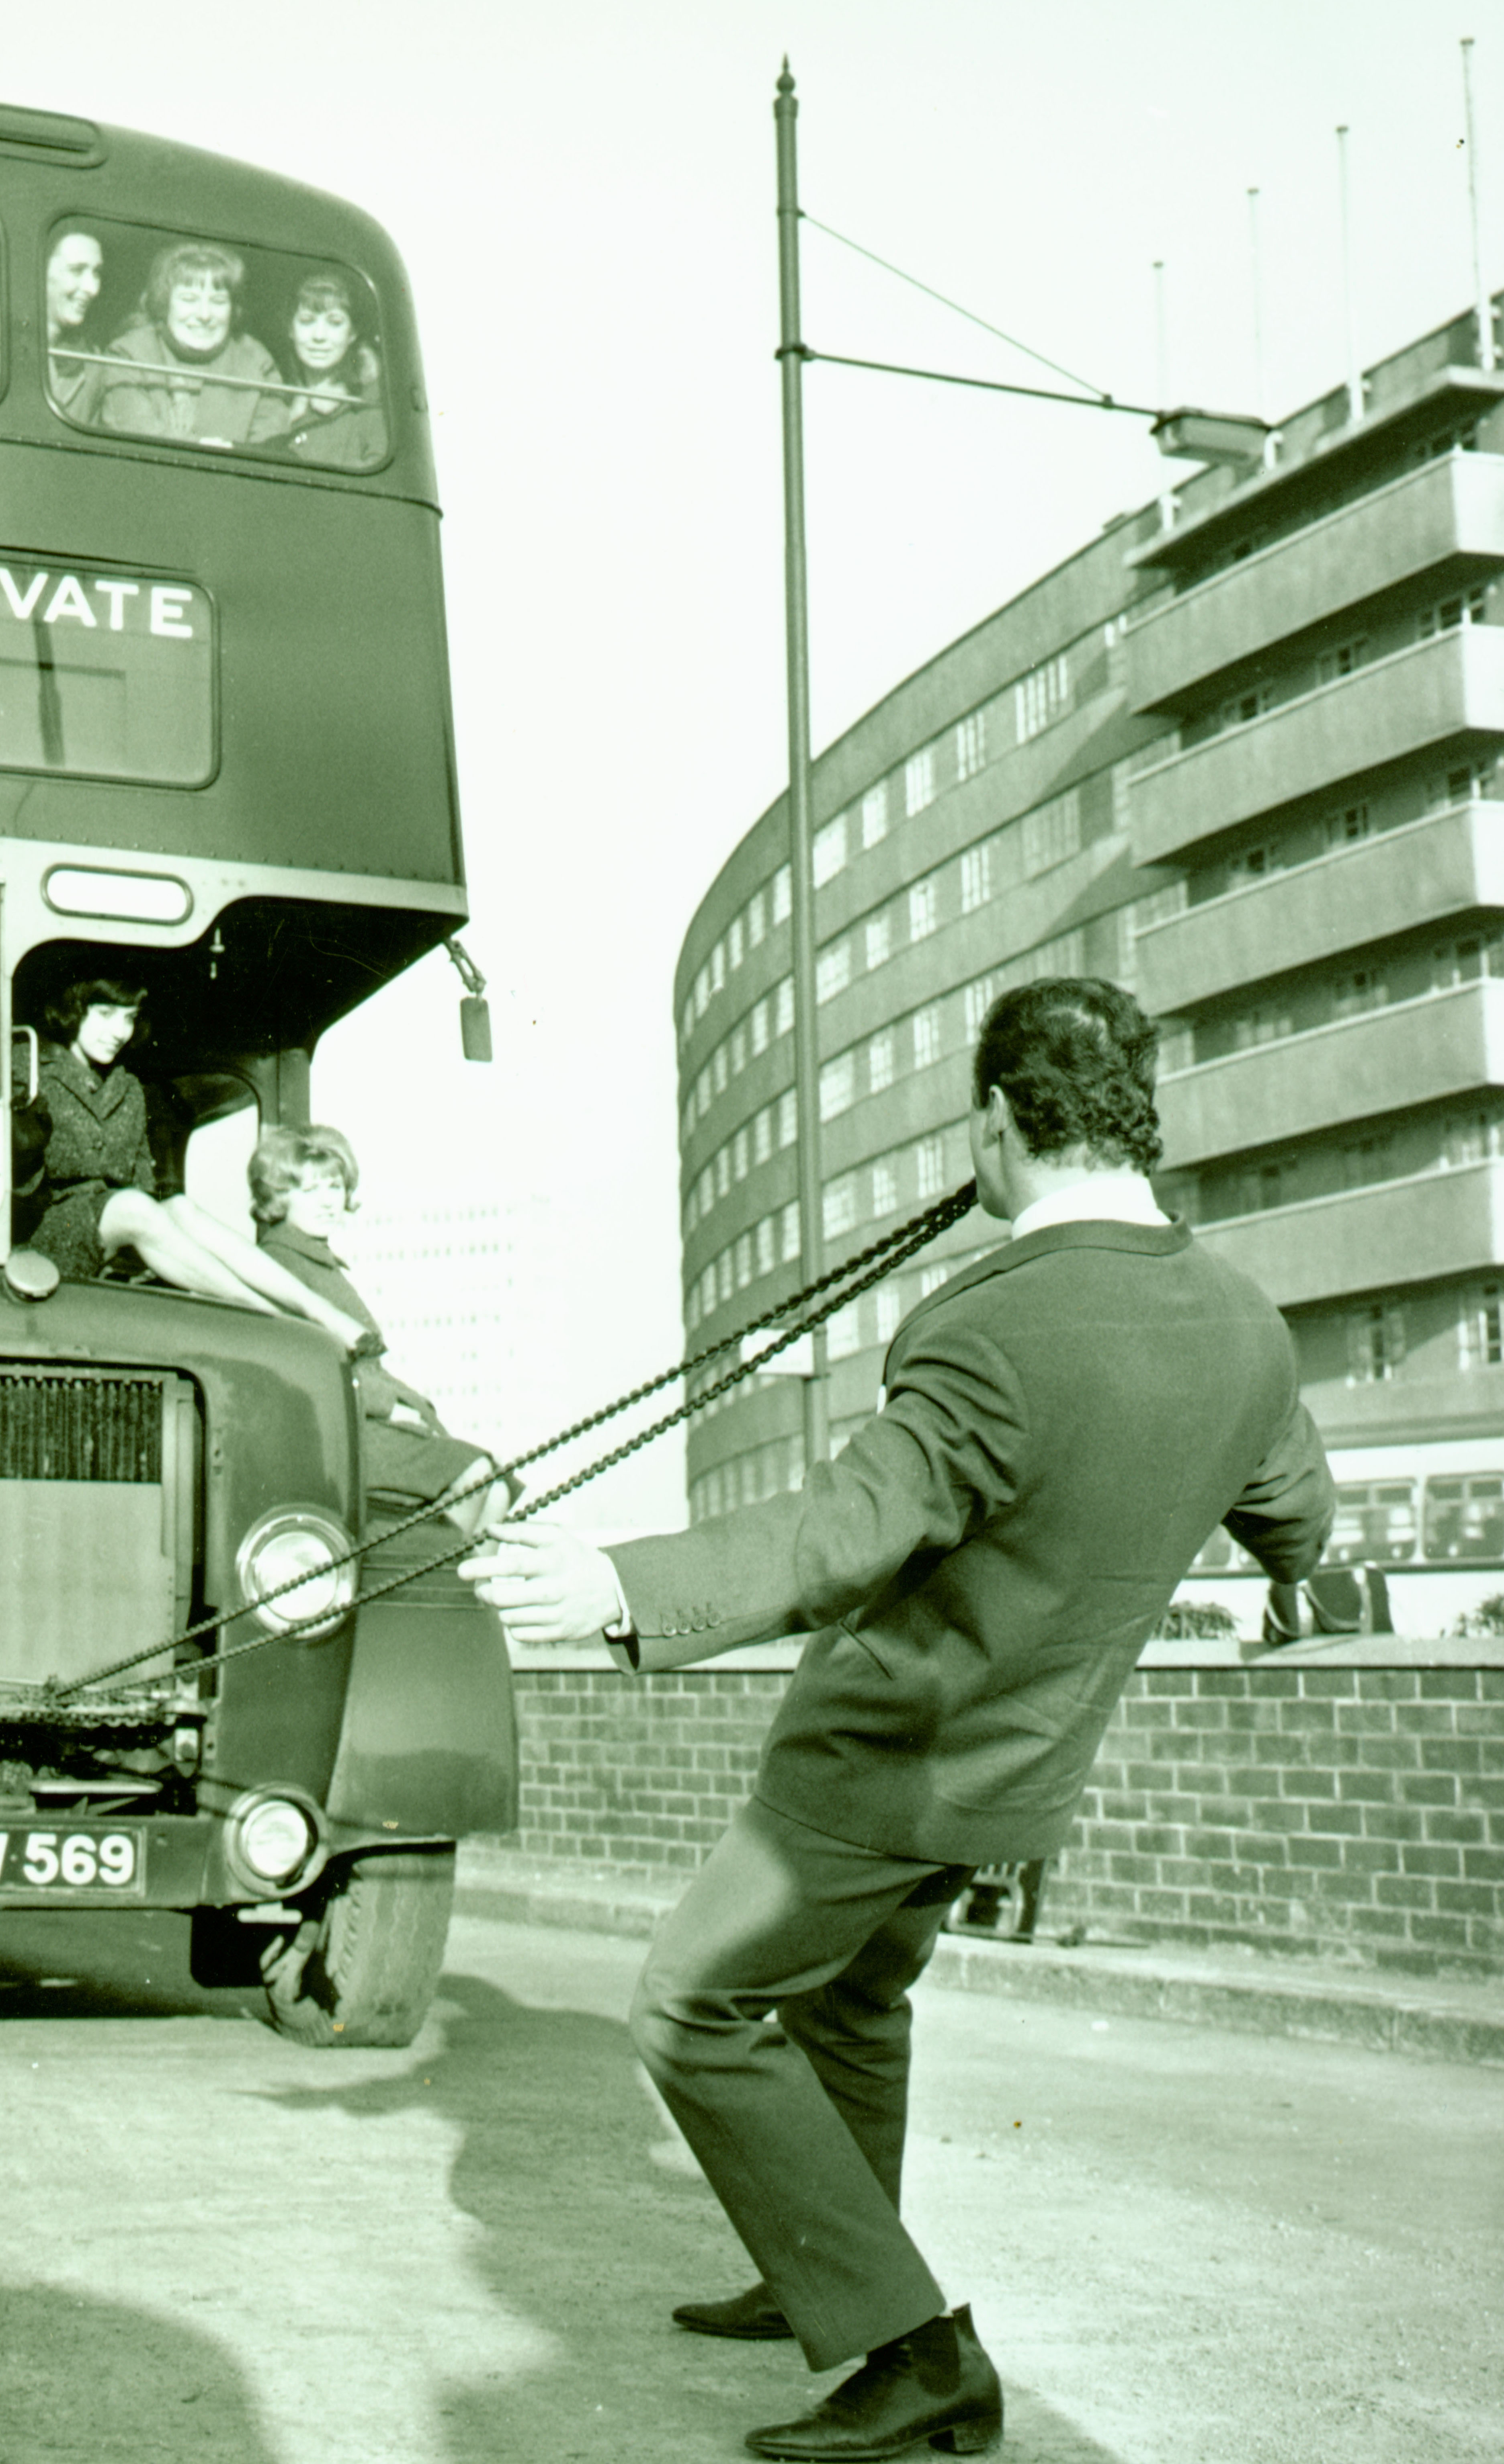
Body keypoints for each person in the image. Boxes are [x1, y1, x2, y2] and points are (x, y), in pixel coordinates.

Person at [460, 978, 1335, 2462]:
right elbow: (1291, 1509)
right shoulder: (1242, 1323)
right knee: (849, 2003)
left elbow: (842, 1532)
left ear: (995, 1124)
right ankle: (820, 2261)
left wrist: (618, 1580)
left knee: (688, 2000)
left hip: (878, 1764)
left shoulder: (987, 1327)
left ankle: (912, 2346)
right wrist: (1292, 1585)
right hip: (1017, 1776)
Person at [14, 980, 369, 1348]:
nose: (119, 1032)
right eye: (105, 1016)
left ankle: (317, 1309)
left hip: (116, 1231)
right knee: (132, 1206)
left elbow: (142, 1188)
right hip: (48, 1234)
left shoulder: (129, 1088)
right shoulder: (28, 1070)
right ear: (74, 1012)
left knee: (179, 1207)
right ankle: (270, 1317)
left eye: (129, 1019)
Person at [249, 1126, 510, 1537]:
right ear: (279, 1197)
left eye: (334, 1186)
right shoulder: (281, 1264)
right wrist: (392, 1407)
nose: (326, 1200)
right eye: (309, 1189)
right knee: (476, 1474)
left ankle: (463, 1593)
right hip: (339, 1428)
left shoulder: (318, 1261)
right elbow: (306, 1364)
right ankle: (434, 1577)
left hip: (360, 1417)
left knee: (496, 1491)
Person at [92, 241, 283, 447]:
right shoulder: (128, 353)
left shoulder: (255, 361)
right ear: (165, 303)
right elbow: (135, 433)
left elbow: (270, 447)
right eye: (189, 299)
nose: (204, 315)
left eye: (218, 301)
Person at [0, 228, 106, 419]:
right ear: (39, 271)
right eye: (77, 271)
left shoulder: (92, 361)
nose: (92, 288)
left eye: (97, 273)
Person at [254, 269, 386, 465]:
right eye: (307, 321)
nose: (319, 336)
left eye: (335, 323)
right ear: (291, 328)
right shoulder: (271, 390)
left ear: (352, 333)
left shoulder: (370, 402)